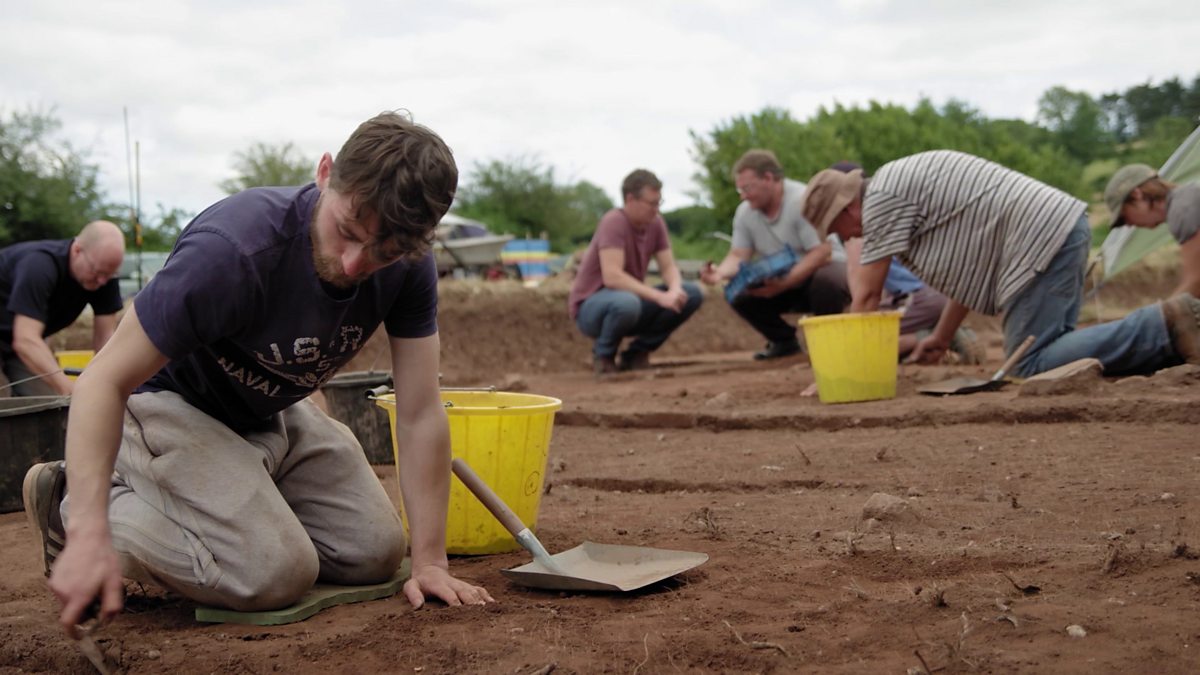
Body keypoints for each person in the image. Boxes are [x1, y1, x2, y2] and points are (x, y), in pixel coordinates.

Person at [22, 112, 492, 638]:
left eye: (384, 252)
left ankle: (237, 504)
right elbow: (102, 380)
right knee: (271, 573)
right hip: (163, 403)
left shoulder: (408, 263)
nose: (355, 264)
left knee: (374, 551)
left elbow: (421, 411)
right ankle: (70, 504)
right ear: (325, 172)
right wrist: (89, 533)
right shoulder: (233, 250)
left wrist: (430, 561)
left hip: (265, 410)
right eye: (346, 232)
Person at [801, 150, 1199, 379]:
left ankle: (1161, 324)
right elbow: (966, 282)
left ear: (849, 207)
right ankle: (1168, 341)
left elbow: (867, 296)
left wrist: (844, 375)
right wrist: (941, 337)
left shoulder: (881, 200)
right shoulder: (897, 189)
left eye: (838, 230)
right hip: (1059, 229)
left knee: (1027, 364)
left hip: (1040, 240)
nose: (847, 239)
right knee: (1055, 354)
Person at [700, 149, 849, 360]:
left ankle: (830, 343)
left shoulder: (801, 200)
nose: (743, 195)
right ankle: (784, 341)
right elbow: (739, 254)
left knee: (826, 281)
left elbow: (822, 252)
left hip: (820, 272)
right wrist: (719, 273)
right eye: (739, 189)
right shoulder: (745, 212)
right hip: (782, 277)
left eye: (747, 188)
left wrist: (785, 283)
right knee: (738, 293)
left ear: (769, 178)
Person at [569, 169, 702, 375]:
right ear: (630, 199)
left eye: (659, 203)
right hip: (592, 309)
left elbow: (668, 267)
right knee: (626, 303)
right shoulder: (614, 222)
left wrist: (675, 289)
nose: (656, 209)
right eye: (652, 203)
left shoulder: (656, 223)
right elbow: (612, 277)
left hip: (629, 303)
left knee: (690, 294)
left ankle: (636, 354)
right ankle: (604, 356)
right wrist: (660, 297)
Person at [0, 221, 125, 396]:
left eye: (109, 274)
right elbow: (25, 340)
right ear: (77, 250)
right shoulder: (39, 266)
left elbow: (105, 339)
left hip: (15, 343)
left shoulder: (104, 276)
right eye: (97, 272)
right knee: (4, 399)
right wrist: (69, 389)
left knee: (48, 401)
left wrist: (109, 387)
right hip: (21, 339)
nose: (102, 281)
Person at [1104, 164, 1200, 298]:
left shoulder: (1182, 211)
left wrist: (1162, 310)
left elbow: (1195, 282)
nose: (1129, 224)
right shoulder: (1189, 196)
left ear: (1137, 195)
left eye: (1124, 217)